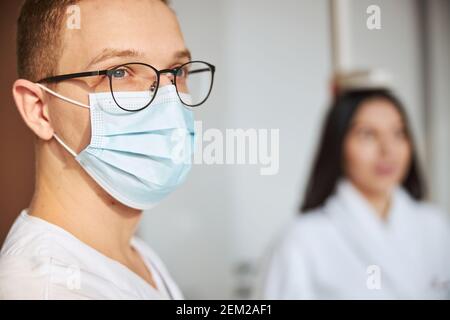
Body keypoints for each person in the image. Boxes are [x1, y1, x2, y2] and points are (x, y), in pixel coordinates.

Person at [0, 0, 215, 299]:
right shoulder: (43, 288)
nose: (168, 98)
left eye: (177, 71)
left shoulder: (134, 255)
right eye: (120, 72)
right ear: (39, 109)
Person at [258, 84, 450, 299]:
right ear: (338, 144)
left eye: (398, 133)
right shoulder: (301, 240)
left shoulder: (436, 226)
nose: (388, 150)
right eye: (367, 135)